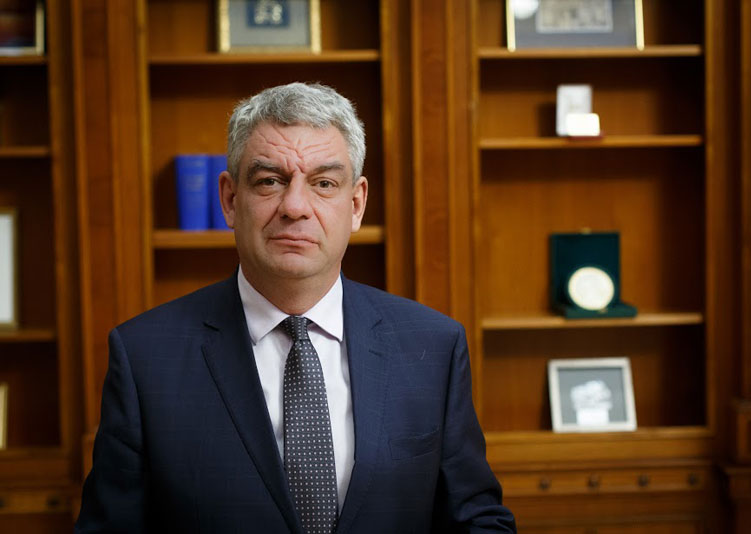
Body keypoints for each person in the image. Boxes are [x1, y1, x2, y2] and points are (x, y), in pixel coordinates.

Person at [75, 82, 516, 533]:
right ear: (229, 199)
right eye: (270, 181)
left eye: (324, 184)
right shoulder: (144, 358)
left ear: (356, 204)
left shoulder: (435, 347)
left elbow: (477, 521)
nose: (295, 207)